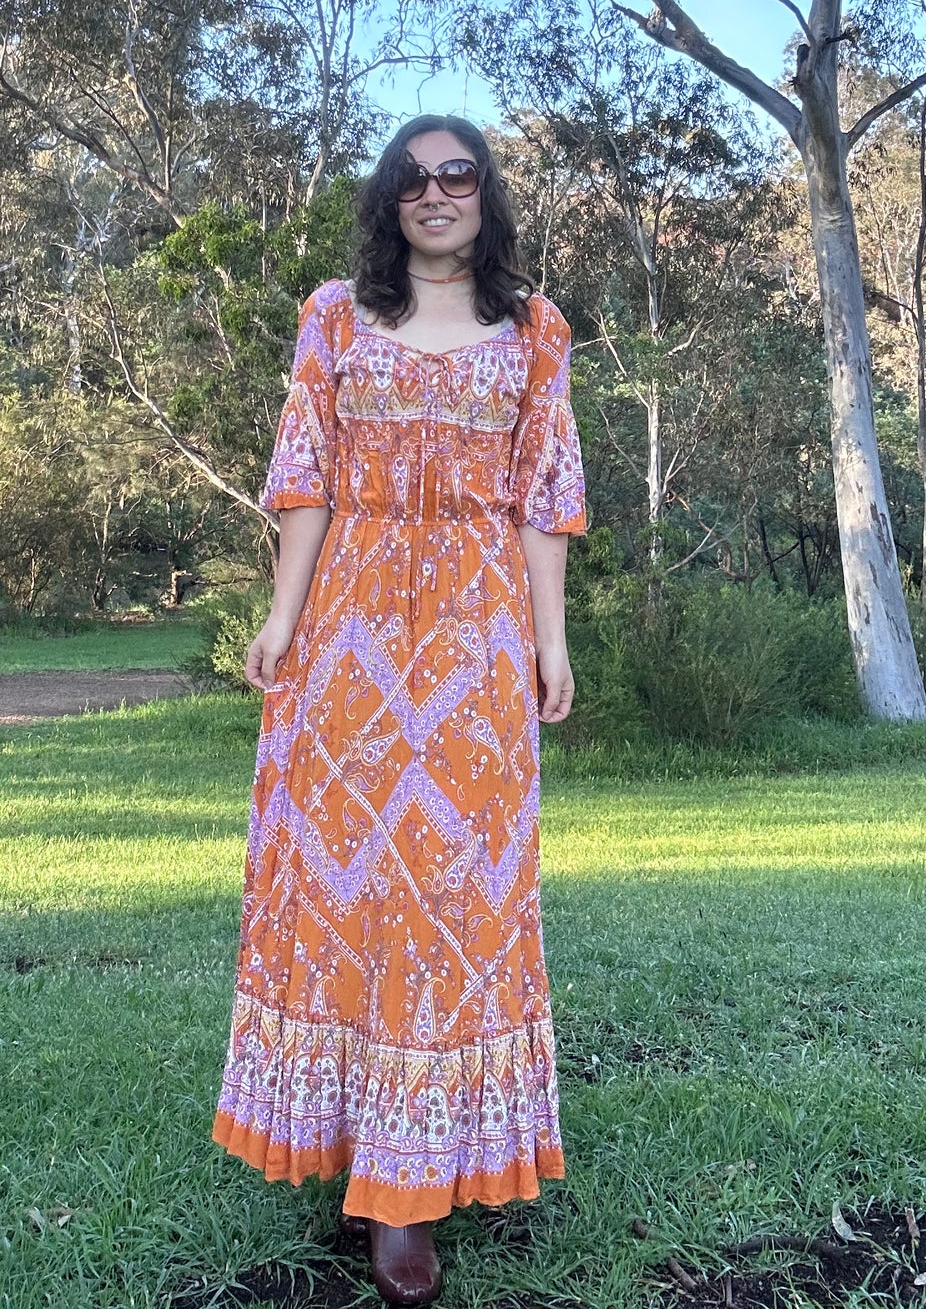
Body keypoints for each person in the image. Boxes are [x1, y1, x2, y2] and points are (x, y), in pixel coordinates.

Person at [212, 114, 586, 1307]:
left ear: (485, 194)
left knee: (454, 896)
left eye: (457, 175)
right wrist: (280, 619)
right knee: (343, 888)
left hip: (473, 638)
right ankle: (358, 1149)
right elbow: (306, 475)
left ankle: (411, 1188)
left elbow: (543, 497)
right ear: (390, 200)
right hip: (351, 639)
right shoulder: (336, 313)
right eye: (413, 179)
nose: (436, 195)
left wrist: (547, 639)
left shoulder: (534, 329)